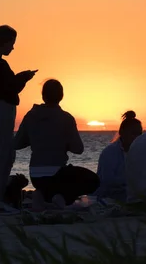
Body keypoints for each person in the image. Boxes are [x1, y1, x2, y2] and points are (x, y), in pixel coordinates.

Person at [14, 79, 100, 210]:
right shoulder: (66, 118)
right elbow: (78, 149)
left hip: (35, 175)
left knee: (54, 184)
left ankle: (42, 196)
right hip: (57, 174)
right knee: (94, 180)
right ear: (61, 96)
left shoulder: (31, 116)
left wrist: (35, 138)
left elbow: (17, 143)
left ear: (43, 96)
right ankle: (61, 198)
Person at [0, 25, 37, 204]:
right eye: (12, 43)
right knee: (3, 154)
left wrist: (21, 78)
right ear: (3, 43)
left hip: (0, 108)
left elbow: (9, 85)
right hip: (1, 109)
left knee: (7, 153)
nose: (13, 47)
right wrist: (24, 77)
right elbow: (10, 86)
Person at [94, 110, 143, 202]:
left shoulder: (139, 152)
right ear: (122, 132)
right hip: (107, 197)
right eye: (133, 133)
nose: (137, 137)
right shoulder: (110, 152)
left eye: (139, 134)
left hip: (128, 194)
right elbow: (108, 180)